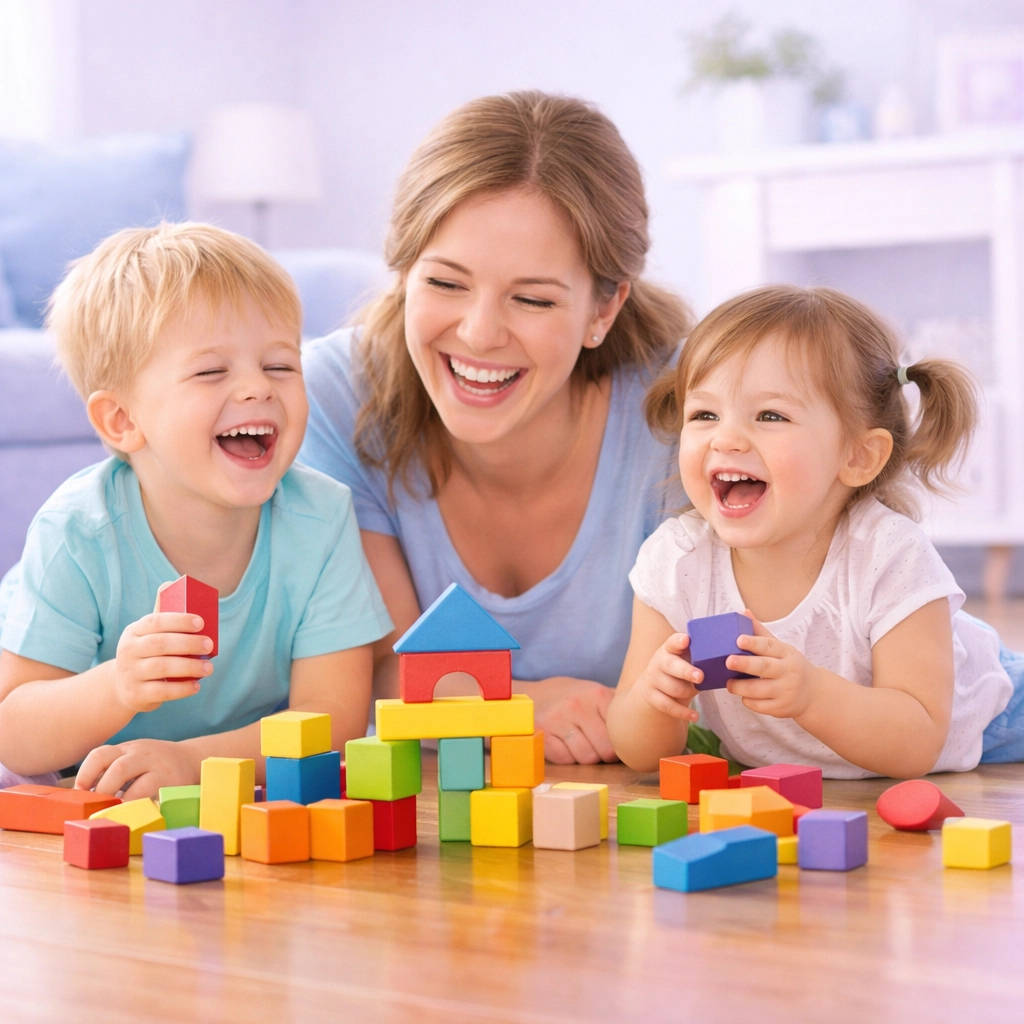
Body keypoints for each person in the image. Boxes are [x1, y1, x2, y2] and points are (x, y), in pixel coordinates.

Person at [300, 91, 692, 765]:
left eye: (532, 299)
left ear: (604, 310)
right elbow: (379, 667)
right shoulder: (334, 395)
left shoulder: (689, 410)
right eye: (446, 284)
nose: (480, 334)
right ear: (402, 274)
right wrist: (518, 707)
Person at [0, 223, 392, 798]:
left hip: (240, 791)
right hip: (92, 801)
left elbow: (335, 721)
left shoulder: (321, 518)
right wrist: (118, 685)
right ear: (122, 421)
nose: (259, 389)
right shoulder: (78, 533)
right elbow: (14, 734)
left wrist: (191, 763)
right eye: (212, 371)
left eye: (280, 366)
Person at [608, 284, 1024, 778]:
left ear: (858, 456)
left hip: (992, 717)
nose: (726, 438)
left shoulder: (889, 554)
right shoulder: (676, 561)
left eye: (770, 415)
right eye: (704, 414)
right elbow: (639, 752)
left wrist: (813, 694)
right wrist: (653, 699)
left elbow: (918, 743)